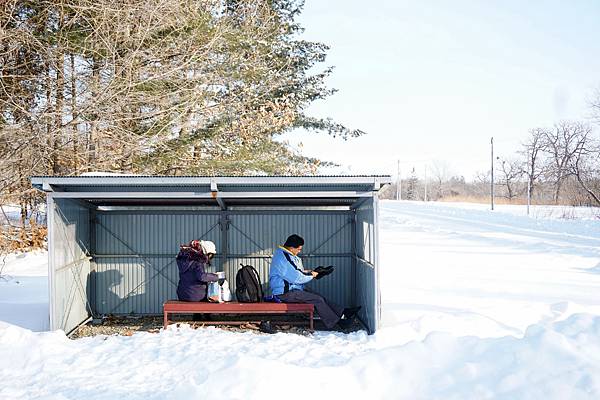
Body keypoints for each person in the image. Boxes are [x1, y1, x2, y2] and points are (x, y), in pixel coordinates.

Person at [268, 234, 360, 329]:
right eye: (299, 249)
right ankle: (337, 323)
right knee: (317, 300)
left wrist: (314, 272)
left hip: (294, 289)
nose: (300, 251)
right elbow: (297, 277)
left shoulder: (287, 255)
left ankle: (344, 312)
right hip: (285, 293)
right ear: (291, 248)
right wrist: (313, 275)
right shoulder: (284, 259)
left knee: (320, 297)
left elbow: (297, 271)